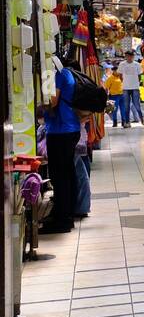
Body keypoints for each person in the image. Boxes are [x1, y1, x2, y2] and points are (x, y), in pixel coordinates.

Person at [40, 55, 85, 234]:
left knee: (60, 176)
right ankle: (66, 213)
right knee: (67, 173)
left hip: (60, 130)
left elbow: (52, 101)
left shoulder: (54, 75)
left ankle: (62, 220)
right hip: (69, 128)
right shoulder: (66, 73)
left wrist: (39, 100)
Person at [117, 50, 144, 126]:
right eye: (127, 56)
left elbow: (139, 75)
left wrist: (136, 83)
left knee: (136, 104)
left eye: (131, 56)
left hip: (135, 87)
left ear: (133, 57)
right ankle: (127, 122)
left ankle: (141, 118)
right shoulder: (122, 64)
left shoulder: (137, 65)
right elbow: (120, 75)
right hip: (125, 88)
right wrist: (124, 82)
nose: (129, 58)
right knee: (126, 106)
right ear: (126, 56)